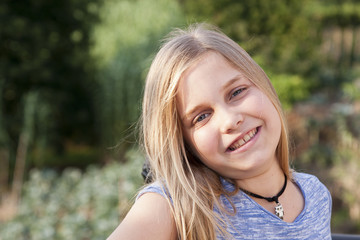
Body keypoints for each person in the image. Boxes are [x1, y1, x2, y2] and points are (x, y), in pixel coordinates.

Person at [107, 23, 332, 240]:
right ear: (183, 143)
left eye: (237, 92)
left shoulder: (315, 194)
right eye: (201, 117)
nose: (230, 121)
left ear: (264, 85)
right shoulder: (177, 207)